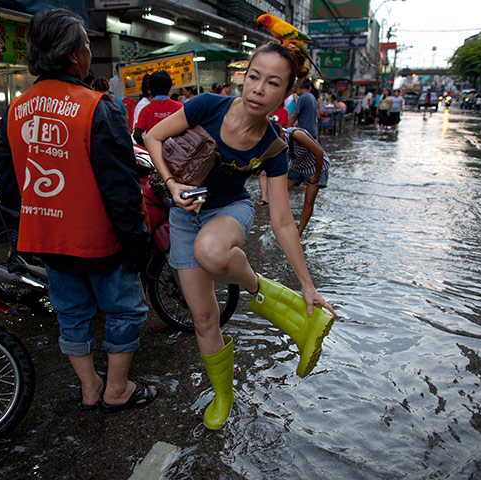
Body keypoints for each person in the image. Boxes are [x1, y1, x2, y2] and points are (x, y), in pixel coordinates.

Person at [144, 41, 337, 431]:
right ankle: (223, 393)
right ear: (242, 77)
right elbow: (153, 137)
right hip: (183, 213)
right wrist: (172, 186)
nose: (258, 89)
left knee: (211, 252)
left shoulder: (272, 146)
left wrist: (307, 283)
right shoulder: (208, 107)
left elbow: (282, 221)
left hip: (229, 210)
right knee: (202, 319)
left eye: (272, 83)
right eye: (253, 77)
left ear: (286, 95)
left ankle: (258, 286)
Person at [0, 8, 157, 412]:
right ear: (73, 55)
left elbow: (8, 187)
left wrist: (43, 214)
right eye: (86, 43)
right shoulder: (98, 107)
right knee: (124, 309)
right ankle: (117, 389)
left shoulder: (16, 110)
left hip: (48, 239)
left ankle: (89, 387)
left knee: (71, 312)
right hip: (100, 239)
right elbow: (120, 189)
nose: (89, 50)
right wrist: (138, 242)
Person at [285, 126, 330, 237]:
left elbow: (319, 152)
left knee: (309, 200)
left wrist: (317, 175)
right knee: (279, 193)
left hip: (315, 166)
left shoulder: (296, 135)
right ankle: (283, 225)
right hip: (297, 166)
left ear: (281, 133)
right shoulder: (273, 141)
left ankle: (299, 233)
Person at [132, 70, 182, 147]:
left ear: (150, 89)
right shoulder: (179, 107)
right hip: (175, 153)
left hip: (154, 155)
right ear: (169, 87)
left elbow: (137, 135)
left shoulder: (145, 110)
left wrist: (148, 147)